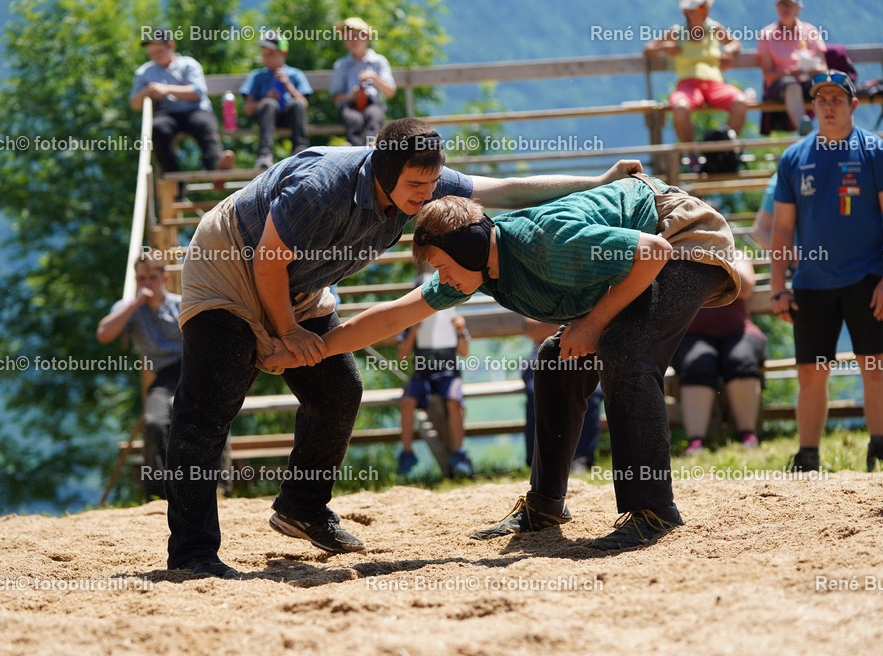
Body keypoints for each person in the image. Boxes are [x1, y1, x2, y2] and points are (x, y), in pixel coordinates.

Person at [164, 117, 655, 578]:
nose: (428, 195)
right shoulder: (318, 188)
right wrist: (288, 333)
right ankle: (192, 553)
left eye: (432, 184)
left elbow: (504, 190)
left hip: (300, 283)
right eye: (417, 187)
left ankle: (302, 507)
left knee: (337, 391)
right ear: (382, 172)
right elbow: (268, 260)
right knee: (207, 409)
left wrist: (598, 180)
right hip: (231, 265)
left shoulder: (420, 180)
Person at [267, 172, 741, 551]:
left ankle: (653, 511)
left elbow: (653, 252)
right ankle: (545, 505)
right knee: (555, 360)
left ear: (469, 247)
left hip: (681, 234)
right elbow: (396, 314)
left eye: (442, 265)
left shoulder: (546, 241)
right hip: (646, 251)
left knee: (624, 351)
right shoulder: (472, 270)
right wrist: (311, 348)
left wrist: (592, 325)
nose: (441, 277)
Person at [770, 70, 883, 472]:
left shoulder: (875, 151)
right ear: (813, 106)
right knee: (811, 372)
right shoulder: (794, 157)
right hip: (811, 282)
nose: (828, 106)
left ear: (853, 105)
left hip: (867, 278)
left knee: (874, 362)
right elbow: (781, 228)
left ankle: (879, 451)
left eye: (837, 99)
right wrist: (779, 287)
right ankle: (808, 457)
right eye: (822, 99)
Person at [96, 255, 183, 501]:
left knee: (207, 416)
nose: (146, 283)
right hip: (164, 378)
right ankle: (160, 496)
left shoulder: (180, 304)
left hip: (193, 371)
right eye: (141, 278)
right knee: (154, 421)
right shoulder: (128, 308)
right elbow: (103, 334)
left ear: (164, 278)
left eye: (152, 277)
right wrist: (136, 303)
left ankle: (218, 487)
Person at [673, 254, 767, 455]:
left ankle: (748, 435)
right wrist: (722, 278)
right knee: (698, 363)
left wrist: (714, 259)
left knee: (741, 359)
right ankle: (695, 442)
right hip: (691, 334)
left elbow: (746, 286)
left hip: (739, 331)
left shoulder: (734, 252)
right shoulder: (677, 252)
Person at [130, 28, 235, 199]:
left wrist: (166, 89)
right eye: (151, 53)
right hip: (167, 114)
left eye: (158, 51)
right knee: (156, 128)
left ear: (170, 45)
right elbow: (134, 104)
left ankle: (216, 172)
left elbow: (197, 93)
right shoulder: (144, 72)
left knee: (205, 125)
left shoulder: (189, 64)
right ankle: (175, 184)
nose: (154, 56)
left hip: (196, 110)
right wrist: (146, 91)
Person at [395, 272, 471, 477]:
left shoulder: (454, 318)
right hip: (422, 375)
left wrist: (461, 331)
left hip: (448, 374)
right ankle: (407, 453)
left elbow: (464, 353)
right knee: (407, 402)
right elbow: (402, 356)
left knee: (454, 401)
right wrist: (413, 332)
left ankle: (459, 453)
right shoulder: (411, 321)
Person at [643, 0, 747, 145]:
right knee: (680, 108)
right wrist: (664, 47)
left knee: (740, 102)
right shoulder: (676, 32)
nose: (706, 11)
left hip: (715, 84)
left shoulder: (714, 28)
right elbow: (648, 49)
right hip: (687, 85)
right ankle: (693, 156)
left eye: (707, 7)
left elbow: (735, 43)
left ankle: (725, 149)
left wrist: (728, 50)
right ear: (688, 12)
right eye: (701, 8)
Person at [522, 319, 602, 474]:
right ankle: (537, 461)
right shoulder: (536, 294)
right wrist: (574, 324)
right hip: (541, 353)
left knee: (592, 393)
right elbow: (532, 329)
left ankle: (581, 460)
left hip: (582, 351)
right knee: (535, 391)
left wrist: (557, 323)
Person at [240, 31, 313, 170]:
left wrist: (288, 86)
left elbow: (304, 104)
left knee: (296, 104)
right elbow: (248, 108)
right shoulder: (257, 76)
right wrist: (266, 99)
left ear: (283, 53)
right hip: (267, 118)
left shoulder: (295, 74)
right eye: (264, 54)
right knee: (269, 104)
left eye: (271, 54)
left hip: (289, 117)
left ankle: (300, 151)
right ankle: (264, 155)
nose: (266, 58)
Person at [757, 0, 827, 135]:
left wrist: (812, 69)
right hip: (780, 87)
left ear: (798, 8)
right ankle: (807, 133)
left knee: (827, 85)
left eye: (788, 4)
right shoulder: (766, 34)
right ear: (776, 8)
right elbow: (768, 75)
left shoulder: (811, 31)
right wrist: (790, 73)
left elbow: (824, 67)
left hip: (809, 81)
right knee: (791, 85)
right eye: (781, 4)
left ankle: (836, 133)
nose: (785, 8)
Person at [331, 17, 396, 147]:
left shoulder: (379, 61)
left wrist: (374, 77)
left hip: (374, 104)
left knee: (373, 114)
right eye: (347, 38)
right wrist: (349, 97)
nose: (351, 41)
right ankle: (358, 153)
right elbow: (336, 98)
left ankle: (370, 151)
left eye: (354, 37)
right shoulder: (341, 65)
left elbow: (390, 92)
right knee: (353, 119)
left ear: (366, 37)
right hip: (350, 106)